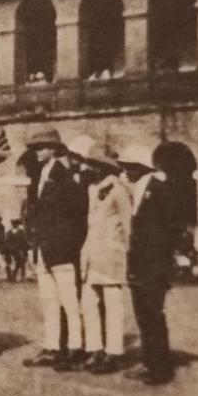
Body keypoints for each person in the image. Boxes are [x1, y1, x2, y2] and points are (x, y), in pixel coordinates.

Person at [22, 128, 89, 372]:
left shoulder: (64, 176)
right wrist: (34, 245)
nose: (37, 152)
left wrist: (67, 246)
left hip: (61, 251)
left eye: (41, 148)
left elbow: (77, 215)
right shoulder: (41, 175)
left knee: (69, 302)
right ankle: (52, 347)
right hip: (43, 250)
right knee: (49, 301)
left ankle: (75, 349)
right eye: (35, 148)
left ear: (53, 149)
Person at [122, 144, 187, 386]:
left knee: (153, 315)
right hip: (139, 264)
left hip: (153, 264)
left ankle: (160, 368)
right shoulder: (139, 188)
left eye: (129, 167)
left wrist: (164, 259)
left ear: (141, 168)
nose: (126, 171)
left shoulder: (159, 189)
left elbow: (172, 226)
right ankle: (148, 361)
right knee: (143, 315)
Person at [78, 146, 133, 374]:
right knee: (89, 304)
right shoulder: (93, 189)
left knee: (113, 305)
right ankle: (95, 349)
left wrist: (130, 255)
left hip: (112, 255)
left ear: (103, 167)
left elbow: (129, 226)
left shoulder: (120, 190)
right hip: (92, 255)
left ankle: (113, 352)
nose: (88, 167)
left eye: (93, 164)